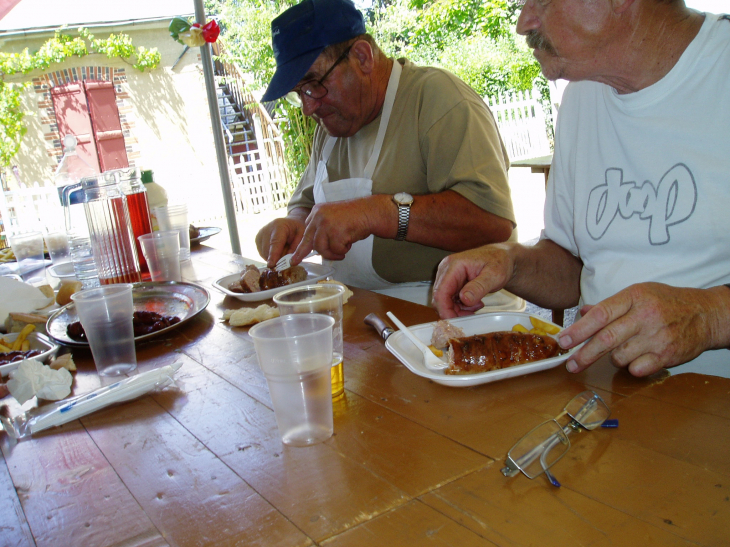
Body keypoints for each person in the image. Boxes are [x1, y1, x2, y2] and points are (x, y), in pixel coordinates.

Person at [432, 1, 730, 378]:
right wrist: (509, 262)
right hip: (602, 402)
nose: (525, 22)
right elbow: (574, 267)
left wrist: (711, 318)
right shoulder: (582, 95)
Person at [255, 0, 516, 303]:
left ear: (362, 58)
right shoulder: (330, 129)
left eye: (314, 84)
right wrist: (294, 227)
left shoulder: (437, 100)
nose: (308, 107)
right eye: (299, 93)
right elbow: (306, 204)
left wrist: (378, 213)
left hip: (451, 308)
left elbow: (493, 222)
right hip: (365, 310)